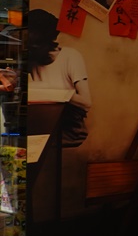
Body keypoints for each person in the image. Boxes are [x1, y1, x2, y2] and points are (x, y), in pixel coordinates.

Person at [28, 9, 92, 147]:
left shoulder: (71, 57)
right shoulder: (33, 59)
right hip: (45, 123)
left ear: (47, 41)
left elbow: (86, 102)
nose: (32, 50)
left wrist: (47, 91)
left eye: (36, 46)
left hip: (70, 128)